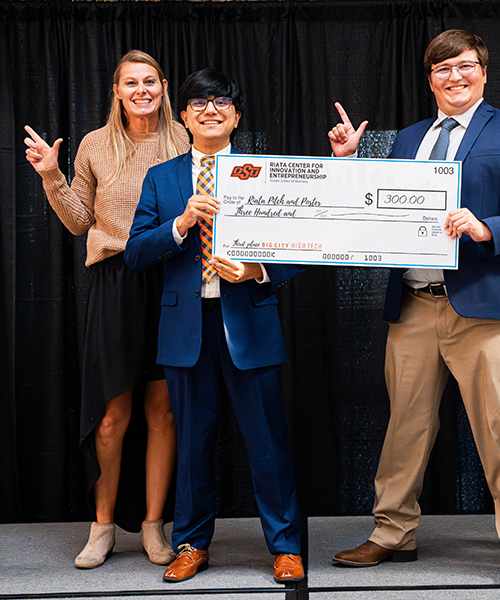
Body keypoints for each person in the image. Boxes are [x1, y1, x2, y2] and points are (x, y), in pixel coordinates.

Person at [327, 30, 500, 586]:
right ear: (429, 78)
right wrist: (349, 163)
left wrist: (487, 227)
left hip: (482, 309)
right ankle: (392, 532)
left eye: (464, 66)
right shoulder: (407, 138)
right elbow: (374, 209)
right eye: (441, 69)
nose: (454, 77)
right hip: (411, 305)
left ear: (483, 71)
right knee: (404, 425)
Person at [124, 68, 305, 585]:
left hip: (249, 322)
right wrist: (180, 224)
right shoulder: (163, 178)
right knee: (193, 444)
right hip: (187, 329)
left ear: (236, 116)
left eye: (222, 102)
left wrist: (259, 269)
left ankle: (286, 546)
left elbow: (301, 248)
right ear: (182, 116)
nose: (210, 109)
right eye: (199, 102)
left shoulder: (264, 171)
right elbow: (136, 254)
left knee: (267, 442)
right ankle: (191, 543)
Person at [23, 50, 189, 569]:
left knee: (163, 411)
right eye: (130, 83)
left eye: (150, 81)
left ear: (163, 86)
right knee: (112, 417)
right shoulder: (96, 145)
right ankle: (102, 528)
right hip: (116, 280)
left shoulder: (184, 139)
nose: (142, 90)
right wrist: (51, 175)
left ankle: (153, 526)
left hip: (173, 275)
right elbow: (77, 222)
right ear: (117, 91)